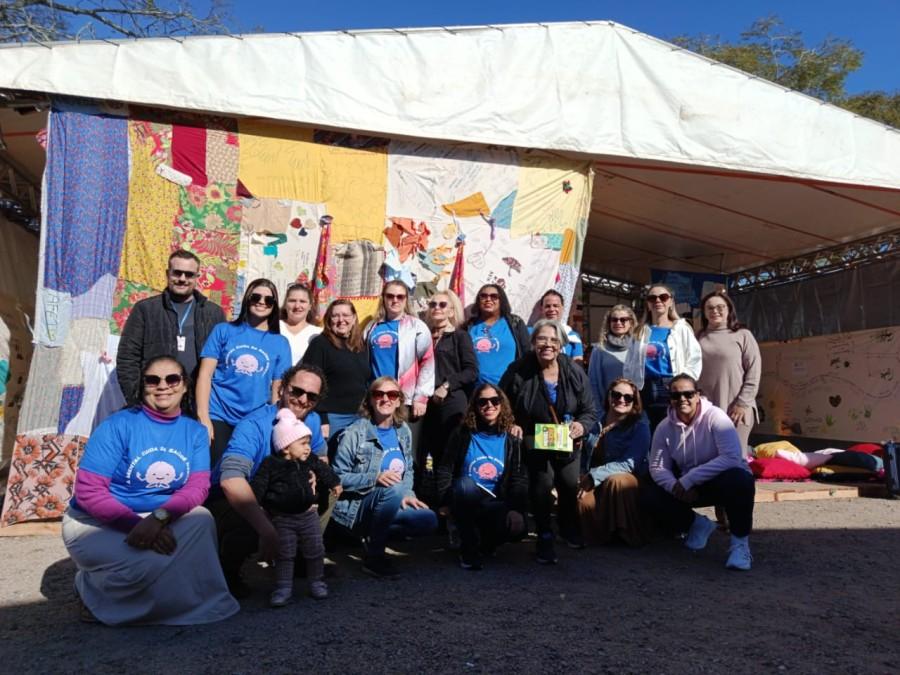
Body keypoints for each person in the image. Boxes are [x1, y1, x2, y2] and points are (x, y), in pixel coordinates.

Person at [62, 356, 238, 625]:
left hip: (158, 517)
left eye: (172, 379)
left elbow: (197, 486)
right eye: (153, 380)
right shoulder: (116, 426)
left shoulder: (195, 432)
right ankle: (91, 592)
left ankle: (177, 604)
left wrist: (159, 519)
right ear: (143, 385)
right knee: (149, 565)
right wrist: (134, 525)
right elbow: (89, 493)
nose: (162, 386)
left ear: (184, 386)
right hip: (96, 522)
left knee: (202, 519)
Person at [208, 363, 328, 597]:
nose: (303, 400)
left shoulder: (310, 420)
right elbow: (231, 480)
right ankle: (227, 570)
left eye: (311, 396)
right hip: (229, 497)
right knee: (249, 514)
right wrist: (267, 529)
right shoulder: (253, 425)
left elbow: (322, 456)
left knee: (328, 491)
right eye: (297, 391)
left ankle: (299, 555)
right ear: (282, 388)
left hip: (279, 494)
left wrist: (314, 473)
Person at [500, 319, 596, 564]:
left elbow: (588, 409)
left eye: (553, 340)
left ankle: (568, 528)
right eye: (542, 339)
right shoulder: (519, 369)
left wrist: (581, 425)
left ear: (561, 344)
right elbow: (502, 402)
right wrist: (511, 423)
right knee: (541, 485)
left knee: (567, 483)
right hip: (533, 439)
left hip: (567, 440)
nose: (548, 344)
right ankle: (544, 533)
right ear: (533, 342)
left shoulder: (573, 371)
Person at [331, 377, 438, 579]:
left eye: (392, 395)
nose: (385, 399)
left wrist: (407, 493)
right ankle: (374, 557)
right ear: (370, 400)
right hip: (358, 505)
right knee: (394, 489)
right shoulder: (355, 433)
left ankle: (373, 534)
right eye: (379, 394)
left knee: (428, 520)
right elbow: (337, 477)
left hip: (390, 501)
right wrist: (375, 477)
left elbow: (408, 470)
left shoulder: (403, 430)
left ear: (399, 400)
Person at [646, 374, 755, 571]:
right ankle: (695, 524)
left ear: (698, 395)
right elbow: (657, 466)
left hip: (721, 480)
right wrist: (675, 486)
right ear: (669, 399)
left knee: (741, 480)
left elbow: (731, 457)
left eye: (688, 394)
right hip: (690, 485)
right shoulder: (664, 427)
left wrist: (688, 479)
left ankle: (740, 545)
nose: (682, 399)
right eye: (676, 395)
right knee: (650, 492)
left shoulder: (716, 417)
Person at [251, 408, 342, 606]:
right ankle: (283, 587)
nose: (308, 448)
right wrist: (255, 503)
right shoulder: (271, 465)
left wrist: (334, 482)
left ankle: (316, 582)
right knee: (285, 554)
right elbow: (259, 485)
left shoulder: (309, 460)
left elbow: (323, 469)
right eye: (302, 443)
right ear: (285, 447)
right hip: (282, 518)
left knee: (315, 550)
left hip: (308, 515)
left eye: (308, 443)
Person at [196, 278, 292, 466]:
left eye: (269, 300)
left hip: (254, 418)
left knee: (244, 471)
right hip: (218, 414)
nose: (262, 302)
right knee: (214, 473)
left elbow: (277, 390)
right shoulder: (223, 330)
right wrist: (203, 416)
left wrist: (277, 425)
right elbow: (205, 375)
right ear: (247, 299)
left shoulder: (280, 343)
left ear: (274, 306)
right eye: (256, 297)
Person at [435, 384, 529, 570]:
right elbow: (445, 468)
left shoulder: (512, 438)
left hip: (495, 501)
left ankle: (485, 542)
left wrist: (516, 509)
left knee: (518, 527)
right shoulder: (462, 433)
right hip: (465, 498)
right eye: (482, 402)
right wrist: (443, 500)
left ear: (502, 404)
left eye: (495, 401)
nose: (489, 406)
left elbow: (519, 478)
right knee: (466, 485)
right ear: (475, 406)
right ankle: (468, 548)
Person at [117, 249, 226, 408]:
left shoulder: (213, 313)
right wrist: (137, 399)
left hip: (197, 403)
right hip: (156, 399)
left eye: (189, 274)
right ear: (168, 273)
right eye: (177, 273)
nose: (182, 279)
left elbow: (222, 362)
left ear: (197, 277)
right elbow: (127, 358)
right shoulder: (146, 310)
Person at [576, 378, 651, 547]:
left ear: (635, 401)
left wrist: (593, 475)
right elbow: (582, 453)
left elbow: (629, 463)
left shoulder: (640, 426)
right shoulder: (595, 421)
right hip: (593, 477)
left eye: (628, 397)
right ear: (609, 396)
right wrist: (580, 475)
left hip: (629, 479)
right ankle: (601, 537)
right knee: (583, 501)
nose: (621, 400)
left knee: (617, 481)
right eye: (616, 394)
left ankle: (627, 533)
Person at [363, 281, 435, 450]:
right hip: (378, 397)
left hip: (405, 398)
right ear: (383, 298)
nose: (395, 300)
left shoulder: (417, 326)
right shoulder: (372, 327)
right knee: (378, 446)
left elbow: (428, 362)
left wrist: (422, 397)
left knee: (405, 448)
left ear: (406, 300)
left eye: (400, 296)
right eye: (390, 296)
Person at [419, 289, 478, 496]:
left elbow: (471, 371)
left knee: (448, 457)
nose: (436, 308)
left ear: (452, 310)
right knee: (426, 454)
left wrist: (447, 385)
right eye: (433, 304)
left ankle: (449, 508)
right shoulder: (423, 334)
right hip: (424, 402)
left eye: (442, 304)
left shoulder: (460, 337)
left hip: (451, 401)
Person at [624, 284, 702, 431]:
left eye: (663, 297)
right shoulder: (640, 331)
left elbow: (694, 359)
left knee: (674, 430)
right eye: (652, 298)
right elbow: (629, 363)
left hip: (671, 386)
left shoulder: (681, 328)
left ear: (671, 302)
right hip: (644, 387)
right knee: (646, 431)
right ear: (647, 303)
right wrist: (632, 387)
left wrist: (684, 386)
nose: (658, 301)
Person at [697, 291, 761, 456]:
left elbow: (754, 371)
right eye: (709, 308)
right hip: (707, 409)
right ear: (703, 312)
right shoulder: (698, 337)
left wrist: (742, 403)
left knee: (735, 458)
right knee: (709, 458)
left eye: (720, 307)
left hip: (737, 409)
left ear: (729, 310)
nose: (715, 311)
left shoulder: (743, 335)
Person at [302, 299, 371, 440]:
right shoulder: (320, 344)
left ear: (354, 318)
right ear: (329, 319)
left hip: (359, 416)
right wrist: (321, 418)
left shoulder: (360, 345)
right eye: (335, 316)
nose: (341, 320)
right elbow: (310, 384)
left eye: (345, 315)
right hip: (333, 418)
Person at [467, 283, 531, 386]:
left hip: (507, 389)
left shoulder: (515, 323)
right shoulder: (468, 326)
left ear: (501, 300)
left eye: (494, 296)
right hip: (475, 390)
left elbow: (527, 354)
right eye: (483, 296)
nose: (488, 299)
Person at [588, 304, 637, 423]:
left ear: (631, 322)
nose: (618, 323)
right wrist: (600, 413)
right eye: (614, 319)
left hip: (635, 411)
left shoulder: (638, 347)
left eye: (623, 319)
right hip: (608, 412)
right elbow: (593, 382)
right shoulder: (599, 349)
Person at [530, 290, 584, 363]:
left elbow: (578, 364)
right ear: (541, 309)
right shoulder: (529, 332)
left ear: (562, 308)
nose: (552, 309)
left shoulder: (573, 337)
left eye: (556, 306)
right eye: (547, 306)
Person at [280, 283, 322, 365]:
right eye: (292, 301)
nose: (297, 306)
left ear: (310, 306)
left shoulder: (318, 333)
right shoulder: (273, 327)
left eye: (302, 301)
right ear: (285, 304)